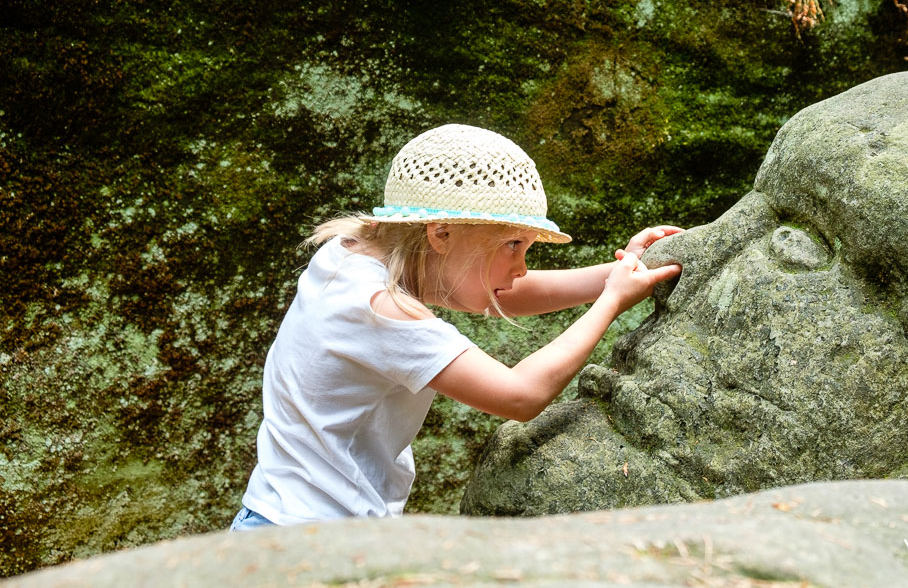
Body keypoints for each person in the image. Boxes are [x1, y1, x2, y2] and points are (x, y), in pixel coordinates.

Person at [231, 124, 682, 530]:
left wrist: (619, 273)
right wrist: (612, 302)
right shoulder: (379, 310)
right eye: (513, 245)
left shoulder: (346, 256)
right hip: (314, 542)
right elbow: (519, 395)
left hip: (277, 520)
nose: (522, 266)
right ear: (441, 234)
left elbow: (498, 291)